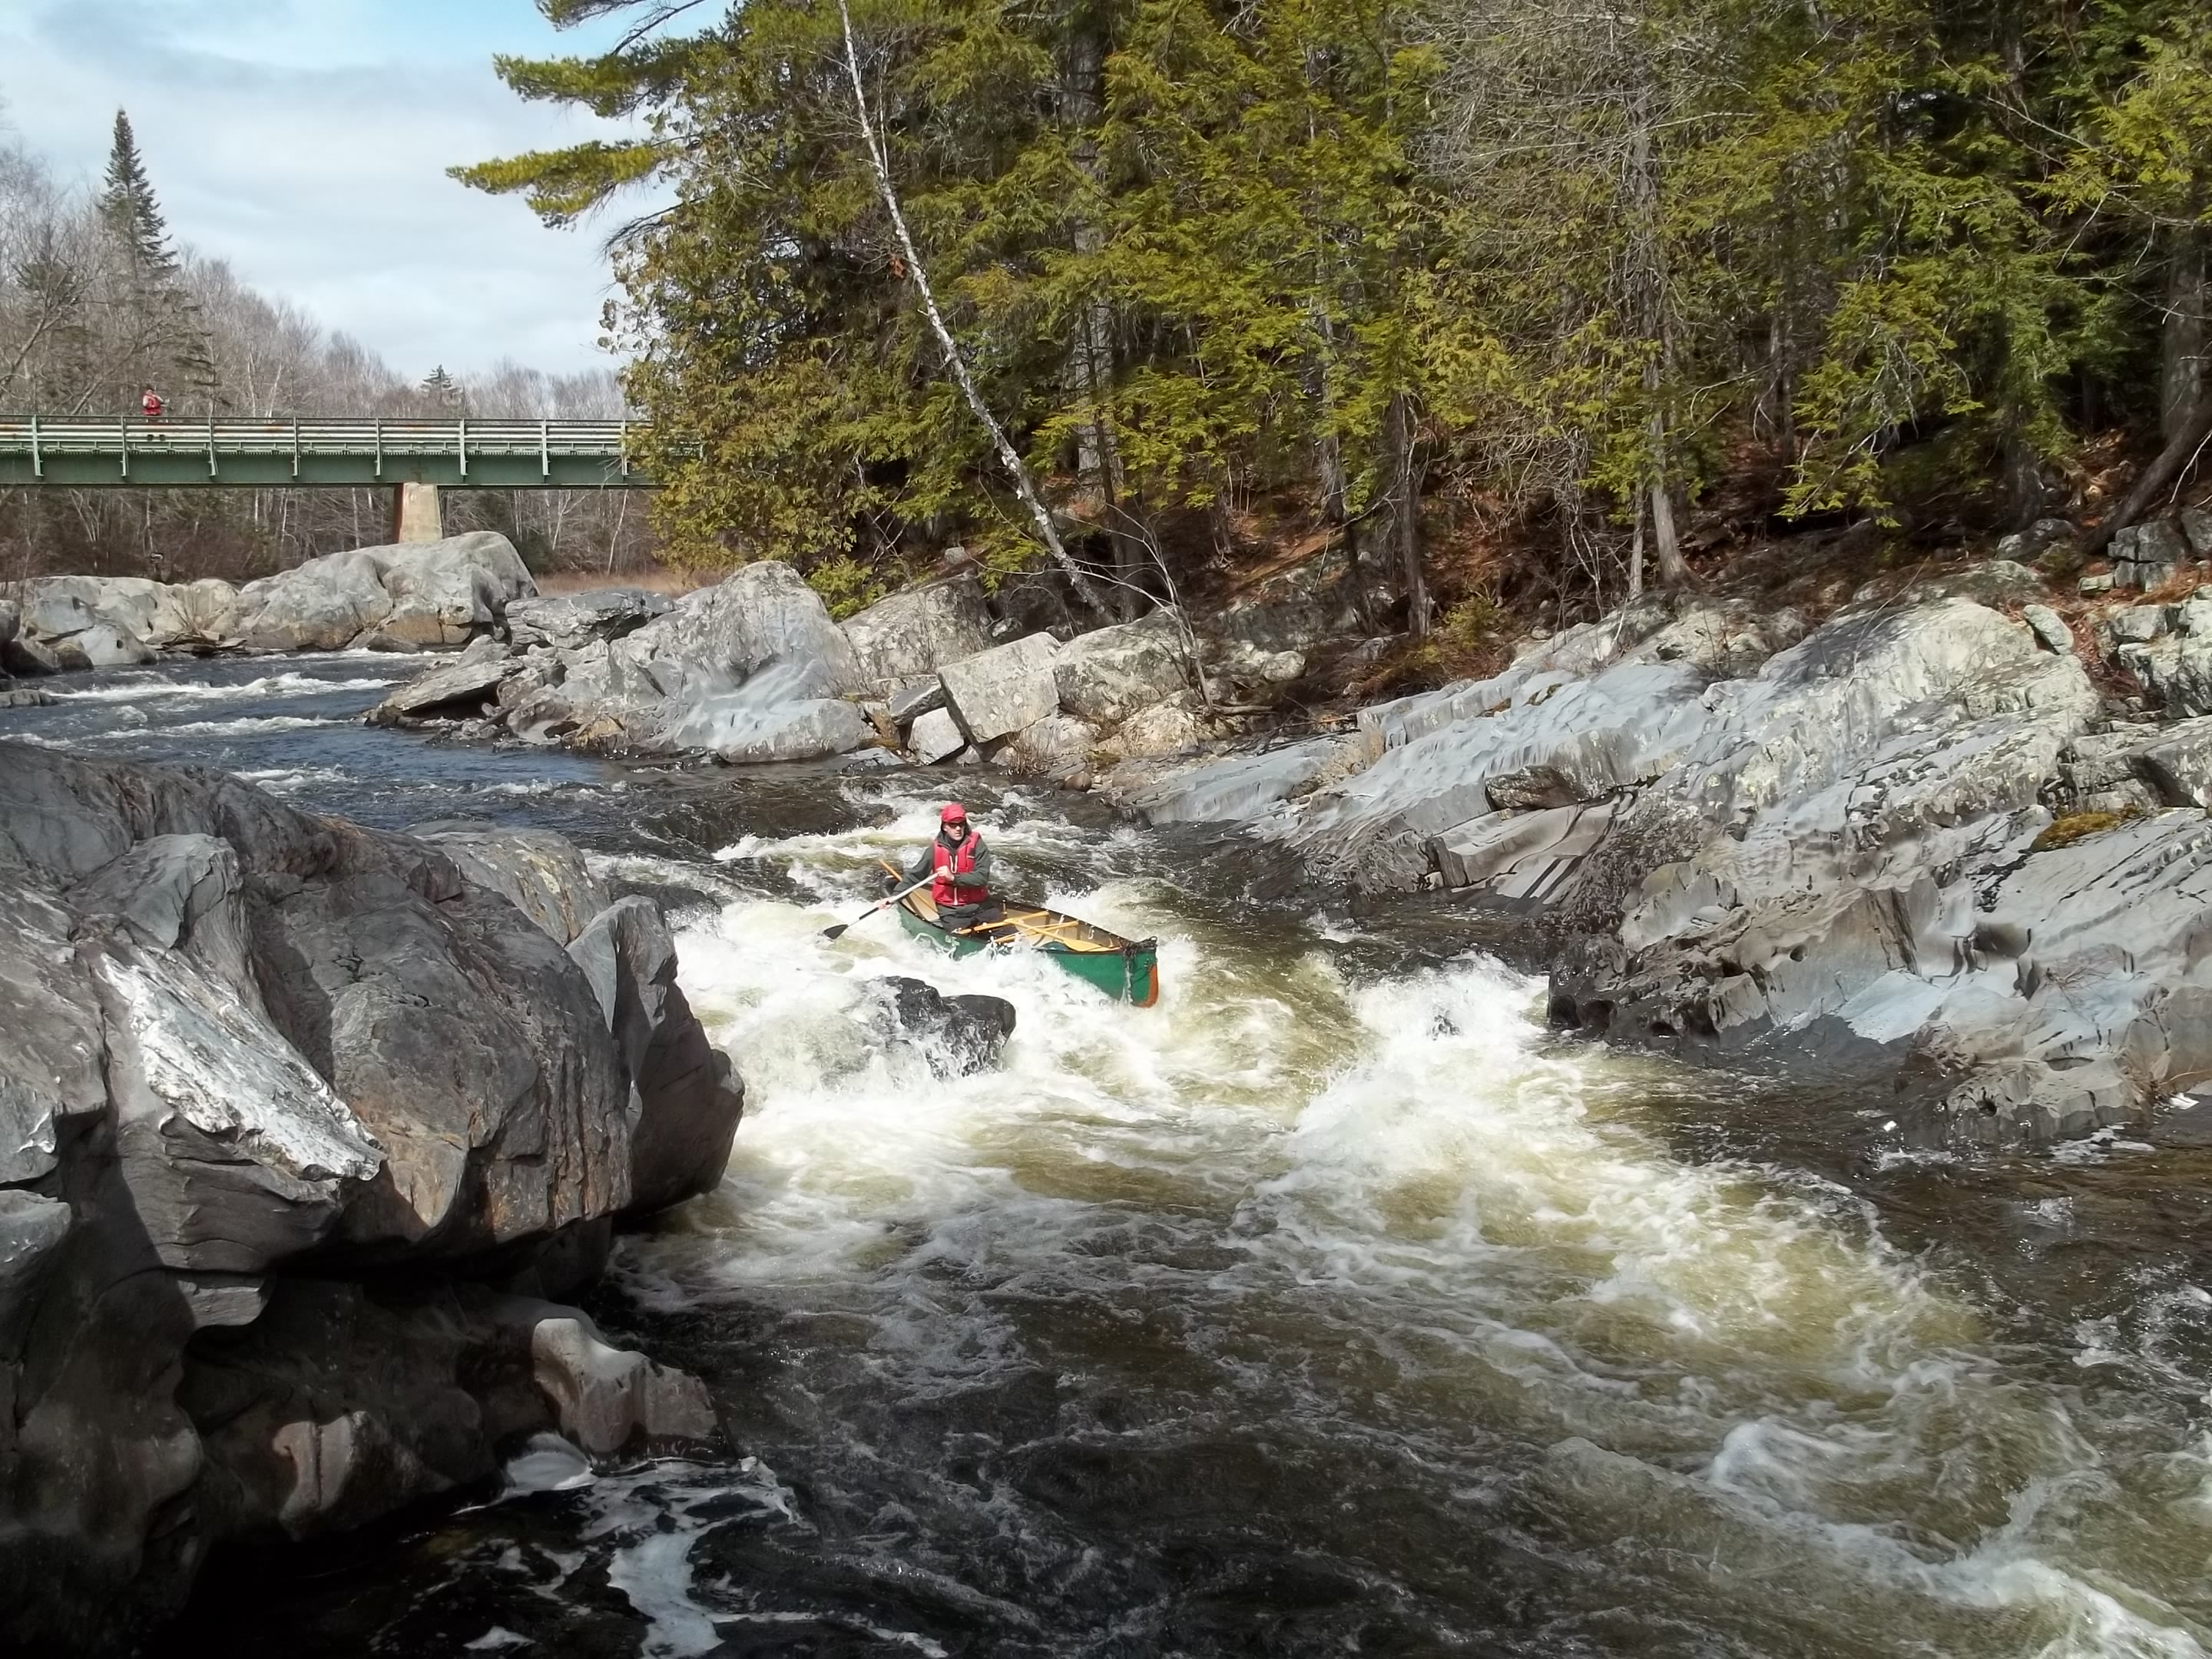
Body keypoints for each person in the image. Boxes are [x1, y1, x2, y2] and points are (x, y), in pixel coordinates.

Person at [896, 803, 1001, 932]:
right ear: (945, 827)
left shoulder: (978, 845)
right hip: (952, 912)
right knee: (964, 940)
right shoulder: (934, 849)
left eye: (961, 824)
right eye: (953, 825)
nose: (958, 828)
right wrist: (894, 896)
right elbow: (916, 876)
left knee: (1012, 937)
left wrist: (953, 877)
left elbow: (981, 878)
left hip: (981, 907)